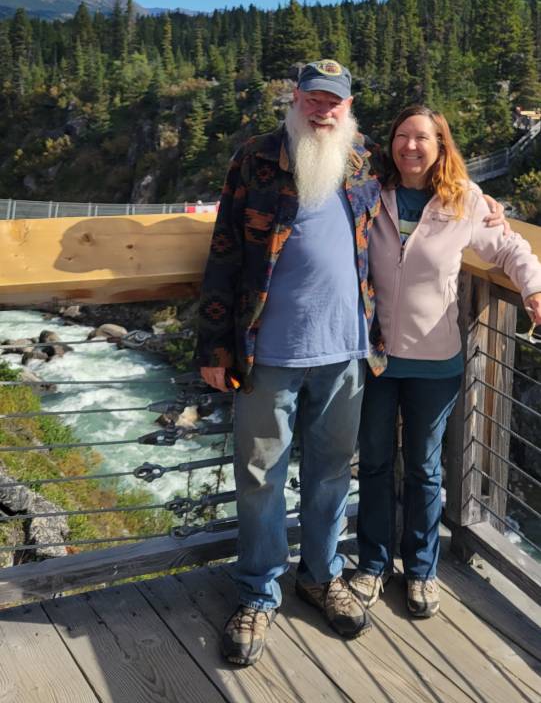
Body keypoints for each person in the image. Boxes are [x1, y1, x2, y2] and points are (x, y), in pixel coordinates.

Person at [197, 59, 384, 666]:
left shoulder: (365, 159)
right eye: (314, 98)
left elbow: (430, 189)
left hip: (347, 349)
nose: (323, 110)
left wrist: (488, 214)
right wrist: (214, 347)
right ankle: (258, 592)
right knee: (260, 479)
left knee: (331, 474)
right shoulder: (254, 157)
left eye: (335, 101)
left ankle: (321, 576)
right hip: (266, 351)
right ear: (296, 99)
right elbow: (224, 251)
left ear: (348, 107)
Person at [351, 104, 541, 620]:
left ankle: (421, 569)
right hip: (374, 358)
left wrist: (533, 289)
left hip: (435, 362)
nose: (410, 146)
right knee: (374, 463)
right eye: (402, 136)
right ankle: (372, 565)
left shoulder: (464, 201)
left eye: (423, 138)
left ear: (441, 146)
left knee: (424, 469)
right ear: (391, 142)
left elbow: (509, 249)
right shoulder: (368, 193)